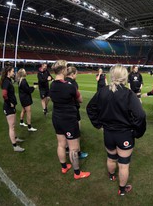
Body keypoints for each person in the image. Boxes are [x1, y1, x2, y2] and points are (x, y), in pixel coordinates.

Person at [87, 65, 146, 196]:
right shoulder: (128, 94)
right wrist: (137, 133)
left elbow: (90, 108)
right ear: (124, 77)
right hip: (124, 134)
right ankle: (122, 189)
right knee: (123, 164)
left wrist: (98, 124)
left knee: (111, 158)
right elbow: (140, 115)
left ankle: (111, 176)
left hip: (108, 133)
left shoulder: (102, 91)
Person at [50, 60, 90, 180]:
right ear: (63, 70)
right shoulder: (69, 86)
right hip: (68, 118)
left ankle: (64, 166)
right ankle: (77, 173)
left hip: (56, 117)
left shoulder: (52, 84)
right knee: (73, 148)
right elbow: (80, 99)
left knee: (61, 144)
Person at [0, 66, 25, 152]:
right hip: (8, 107)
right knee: (11, 127)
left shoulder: (8, 80)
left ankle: (15, 138)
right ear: (8, 72)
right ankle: (15, 146)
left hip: (11, 106)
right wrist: (9, 103)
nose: (14, 72)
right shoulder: (6, 82)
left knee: (13, 125)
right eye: (12, 71)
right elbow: (4, 94)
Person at [65, 66, 88, 159]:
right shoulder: (73, 83)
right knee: (76, 132)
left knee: (66, 131)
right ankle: (78, 152)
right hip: (73, 109)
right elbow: (78, 99)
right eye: (76, 74)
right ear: (73, 74)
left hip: (63, 110)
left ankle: (67, 148)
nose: (76, 76)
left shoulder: (62, 81)